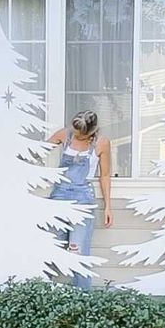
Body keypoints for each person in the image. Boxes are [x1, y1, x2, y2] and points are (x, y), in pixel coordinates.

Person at [48, 110, 112, 289]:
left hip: (83, 199)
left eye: (80, 133)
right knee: (50, 247)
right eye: (75, 131)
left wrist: (108, 207)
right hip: (59, 197)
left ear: (91, 132)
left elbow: (105, 175)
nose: (76, 135)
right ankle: (39, 292)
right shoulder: (64, 135)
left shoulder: (101, 143)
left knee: (78, 252)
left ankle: (82, 301)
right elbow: (39, 150)